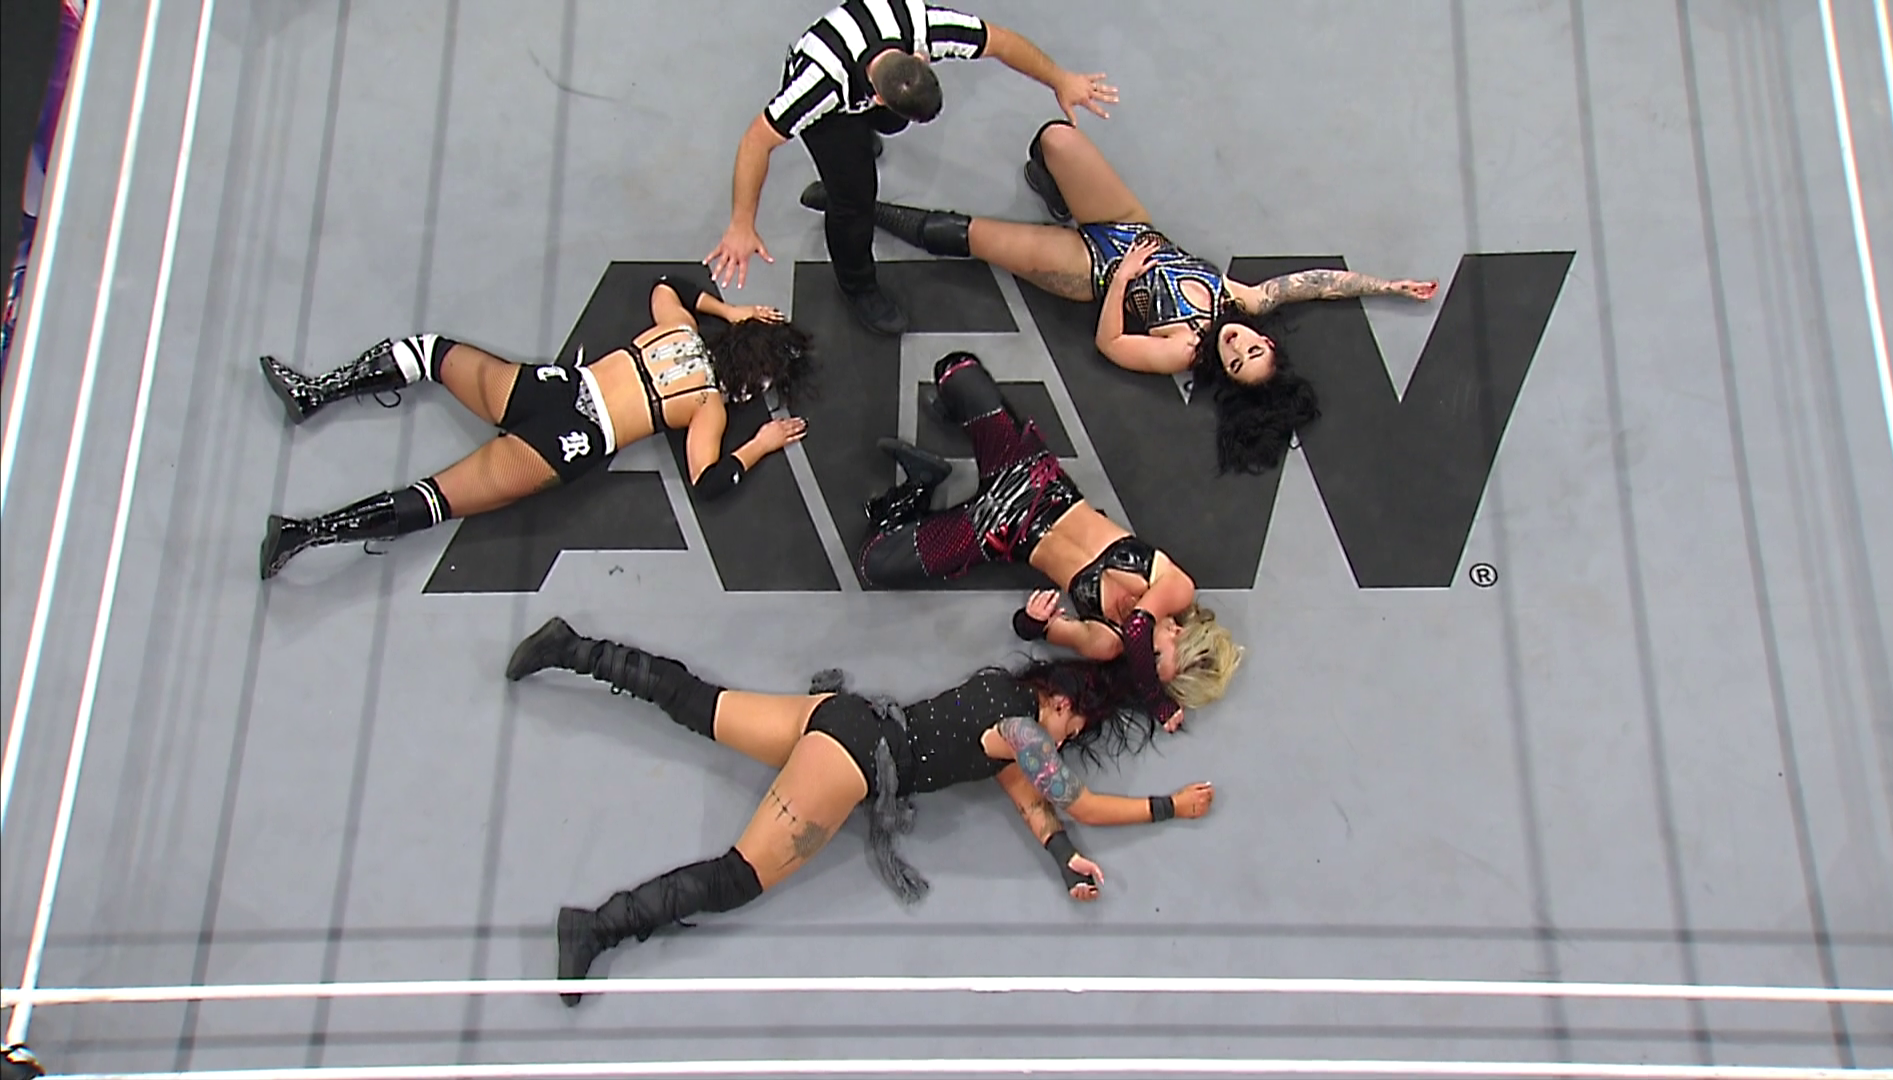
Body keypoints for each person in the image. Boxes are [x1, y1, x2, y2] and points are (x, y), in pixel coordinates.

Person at [502, 614, 1217, 1005]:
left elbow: (1034, 802)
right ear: (1060, 703)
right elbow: (1079, 801)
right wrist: (1170, 807)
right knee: (737, 878)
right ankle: (597, 926)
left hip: (843, 716)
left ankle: (572, 647)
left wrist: (1064, 859)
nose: (1064, 743)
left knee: (698, 703)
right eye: (1072, 729)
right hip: (852, 761)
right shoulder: (1028, 735)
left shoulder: (1004, 700)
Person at [799, 121, 1439, 472]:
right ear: (1266, 340)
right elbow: (1317, 284)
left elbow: (1109, 343)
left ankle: (853, 206)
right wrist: (1386, 285)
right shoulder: (1244, 301)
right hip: (1129, 224)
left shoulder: (1181, 351)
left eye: (1236, 360)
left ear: (1223, 371)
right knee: (1056, 138)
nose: (1239, 345)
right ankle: (1055, 189)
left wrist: (1125, 280)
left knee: (969, 235)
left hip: (1091, 272)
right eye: (1254, 348)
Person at [257, 278, 813, 579]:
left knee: (431, 353)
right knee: (439, 498)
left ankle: (315, 393)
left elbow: (668, 286)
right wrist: (758, 445)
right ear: (753, 379)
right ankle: (304, 533)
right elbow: (709, 481)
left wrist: (729, 310)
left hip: (551, 389)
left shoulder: (680, 329)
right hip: (568, 444)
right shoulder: (709, 407)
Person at [858, 350, 1242, 732]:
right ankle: (956, 416)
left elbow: (1028, 630)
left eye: (1149, 669)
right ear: (1177, 631)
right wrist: (1156, 702)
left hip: (1000, 533)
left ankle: (922, 486)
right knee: (954, 371)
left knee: (874, 563)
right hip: (1031, 477)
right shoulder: (1176, 588)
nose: (1141, 660)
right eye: (1155, 658)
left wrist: (1035, 619)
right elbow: (1140, 628)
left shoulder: (1106, 642)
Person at [706, 0, 1119, 336]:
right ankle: (857, 285)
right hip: (832, 113)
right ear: (876, 98)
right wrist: (742, 223)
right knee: (854, 200)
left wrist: (1060, 79)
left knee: (892, 125)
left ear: (921, 57)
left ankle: (863, 141)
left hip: (869, 87)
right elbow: (756, 140)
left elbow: (1002, 42)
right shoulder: (816, 88)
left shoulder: (925, 26)